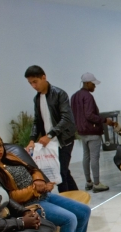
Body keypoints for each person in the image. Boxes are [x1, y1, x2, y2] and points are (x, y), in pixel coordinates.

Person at [24, 65, 78, 193]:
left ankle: (68, 207)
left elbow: (67, 119)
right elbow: (37, 121)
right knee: (64, 171)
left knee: (60, 175)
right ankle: (79, 200)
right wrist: (32, 139)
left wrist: (49, 135)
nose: (33, 86)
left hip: (64, 140)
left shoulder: (59, 94)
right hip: (50, 142)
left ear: (44, 77)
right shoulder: (37, 99)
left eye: (35, 82)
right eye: (30, 83)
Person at [70, 72, 112, 193]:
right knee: (94, 157)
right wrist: (104, 120)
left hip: (81, 132)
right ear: (87, 83)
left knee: (86, 156)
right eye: (93, 84)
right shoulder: (88, 96)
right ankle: (97, 183)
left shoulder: (74, 96)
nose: (95, 87)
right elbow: (89, 115)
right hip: (92, 131)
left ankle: (88, 182)